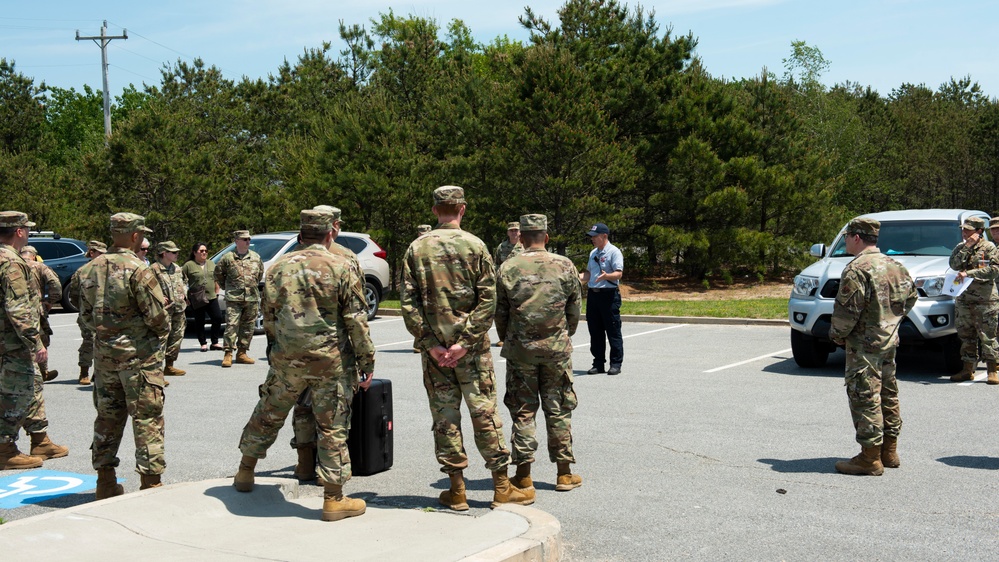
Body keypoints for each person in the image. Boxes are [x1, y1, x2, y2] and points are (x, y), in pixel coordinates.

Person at [234, 209, 376, 523]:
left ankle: (245, 472)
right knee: (332, 425)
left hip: (287, 358)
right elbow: (356, 320)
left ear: (301, 235)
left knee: (268, 412)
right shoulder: (341, 265)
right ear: (331, 234)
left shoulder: (277, 267)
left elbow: (268, 317)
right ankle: (333, 499)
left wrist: (276, 350)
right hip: (330, 361)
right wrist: (367, 361)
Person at [402, 185, 534, 511]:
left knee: (445, 418)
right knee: (484, 413)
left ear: (435, 211)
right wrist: (465, 342)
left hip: (436, 355)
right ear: (462, 209)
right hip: (471, 353)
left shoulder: (417, 249)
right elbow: (489, 300)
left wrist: (433, 345)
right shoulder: (476, 246)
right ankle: (502, 487)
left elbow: (409, 303)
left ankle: (457, 490)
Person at [79, 212, 170, 498]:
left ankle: (105, 482)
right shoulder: (140, 270)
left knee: (107, 418)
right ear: (134, 236)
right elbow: (158, 318)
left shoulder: (88, 270)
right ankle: (150, 483)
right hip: (139, 360)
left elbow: (84, 318)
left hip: (104, 358)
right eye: (141, 234)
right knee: (146, 418)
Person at [495, 213, 583, 493]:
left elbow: (500, 313)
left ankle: (523, 475)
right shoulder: (565, 265)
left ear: (520, 237)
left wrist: (509, 339)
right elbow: (574, 310)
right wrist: (562, 334)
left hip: (521, 351)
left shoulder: (508, 267)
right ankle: (564, 473)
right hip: (556, 350)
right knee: (558, 409)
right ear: (546, 237)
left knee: (523, 412)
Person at [829, 217, 918, 476]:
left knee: (864, 395)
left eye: (847, 236)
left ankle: (870, 458)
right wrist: (891, 319)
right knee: (888, 394)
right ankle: (889, 452)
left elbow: (848, 310)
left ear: (857, 237)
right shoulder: (896, 265)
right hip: (888, 341)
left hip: (864, 345)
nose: (846, 240)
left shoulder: (857, 268)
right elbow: (911, 297)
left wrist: (837, 334)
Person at [288, 205, 365, 482]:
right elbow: (357, 313)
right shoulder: (347, 258)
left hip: (295, 348)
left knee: (302, 405)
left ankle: (304, 462)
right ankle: (329, 471)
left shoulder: (292, 258)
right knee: (333, 412)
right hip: (335, 350)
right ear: (335, 226)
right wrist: (364, 357)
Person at [0, 211, 65, 470]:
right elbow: (16, 308)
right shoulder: (11, 262)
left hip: (7, 340)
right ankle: (5, 449)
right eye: (27, 229)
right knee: (17, 392)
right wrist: (35, 341)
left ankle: (40, 439)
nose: (28, 233)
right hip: (12, 342)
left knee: (34, 385)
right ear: (19, 232)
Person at [948, 216, 999, 384]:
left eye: (968, 230)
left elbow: (993, 271)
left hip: (985, 300)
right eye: (963, 229)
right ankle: (967, 370)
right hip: (964, 299)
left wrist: (968, 274)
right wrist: (967, 246)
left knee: (987, 336)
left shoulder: (990, 247)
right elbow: (954, 265)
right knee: (966, 335)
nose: (964, 232)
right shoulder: (961, 247)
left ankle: (992, 370)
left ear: (979, 231)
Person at [214, 230, 264, 368]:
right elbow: (218, 274)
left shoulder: (255, 257)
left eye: (248, 239)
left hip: (251, 297)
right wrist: (228, 287)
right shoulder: (227, 258)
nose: (248, 242)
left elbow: (259, 274)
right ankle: (228, 353)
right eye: (244, 239)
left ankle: (242, 353)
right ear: (237, 241)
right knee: (231, 325)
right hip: (234, 298)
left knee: (248, 327)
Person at [580, 222, 624, 376]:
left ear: (604, 236)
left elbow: (618, 274)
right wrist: (575, 278)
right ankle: (598, 363)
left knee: (612, 330)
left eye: (595, 236)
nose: (592, 239)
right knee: (595, 330)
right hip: (593, 295)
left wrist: (607, 276)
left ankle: (616, 363)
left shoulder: (614, 252)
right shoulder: (593, 253)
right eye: (591, 237)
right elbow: (588, 274)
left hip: (609, 295)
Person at [20, 245, 63, 382]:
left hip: (14, 309)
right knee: (41, 339)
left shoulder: (12, 264)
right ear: (34, 255)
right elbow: (55, 284)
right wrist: (50, 301)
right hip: (35, 309)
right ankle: (43, 371)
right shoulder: (39, 266)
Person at [69, 240, 107, 385]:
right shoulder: (82, 272)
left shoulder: (107, 270)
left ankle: (99, 373)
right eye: (100, 253)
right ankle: (84, 372)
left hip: (105, 314)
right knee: (89, 342)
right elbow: (74, 295)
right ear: (92, 253)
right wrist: (83, 309)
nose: (103, 256)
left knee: (104, 344)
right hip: (88, 314)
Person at [151, 241, 187, 378]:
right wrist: (159, 297)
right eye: (173, 252)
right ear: (164, 253)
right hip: (163, 310)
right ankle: (156, 371)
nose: (177, 254)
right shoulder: (153, 269)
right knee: (161, 340)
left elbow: (184, 282)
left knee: (176, 338)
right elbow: (147, 288)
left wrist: (184, 294)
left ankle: (170, 366)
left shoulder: (177, 268)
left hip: (179, 308)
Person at [182, 242, 223, 352]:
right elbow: (181, 281)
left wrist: (217, 290)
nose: (204, 253)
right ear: (195, 253)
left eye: (206, 251)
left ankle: (215, 342)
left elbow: (216, 278)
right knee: (200, 321)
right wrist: (185, 297)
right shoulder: (188, 265)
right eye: (201, 251)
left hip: (211, 296)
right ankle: (203, 343)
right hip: (197, 297)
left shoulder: (211, 263)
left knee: (218, 318)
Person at [412, 224, 432, 353]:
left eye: (424, 232)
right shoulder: (414, 246)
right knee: (418, 313)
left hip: (431, 282)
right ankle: (419, 342)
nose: (422, 234)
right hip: (419, 283)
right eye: (420, 232)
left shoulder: (434, 245)